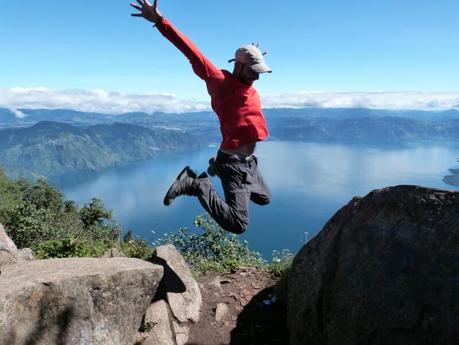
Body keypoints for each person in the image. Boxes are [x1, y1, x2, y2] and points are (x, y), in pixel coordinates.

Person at [131, 0, 272, 234]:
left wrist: (253, 55)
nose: (257, 77)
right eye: (253, 70)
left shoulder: (247, 80)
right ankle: (197, 183)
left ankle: (217, 167)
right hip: (234, 163)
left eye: (260, 71)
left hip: (249, 163)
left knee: (265, 198)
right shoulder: (219, 82)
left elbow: (250, 69)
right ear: (238, 66)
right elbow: (190, 50)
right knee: (238, 224)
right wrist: (159, 21)